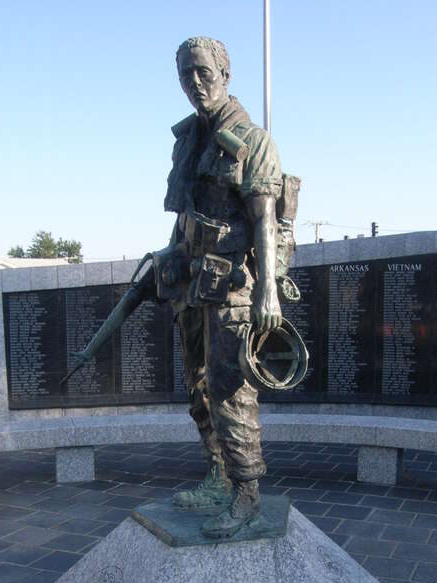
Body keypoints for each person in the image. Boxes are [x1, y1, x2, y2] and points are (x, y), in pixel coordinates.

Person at [162, 36, 284, 538]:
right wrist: (170, 254)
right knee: (198, 386)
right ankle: (218, 476)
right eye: (185, 74)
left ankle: (247, 493)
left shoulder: (252, 140)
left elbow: (265, 221)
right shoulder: (189, 140)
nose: (194, 82)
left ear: (225, 75)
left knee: (229, 389)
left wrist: (267, 289)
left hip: (233, 283)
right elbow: (185, 213)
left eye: (203, 72)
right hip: (192, 281)